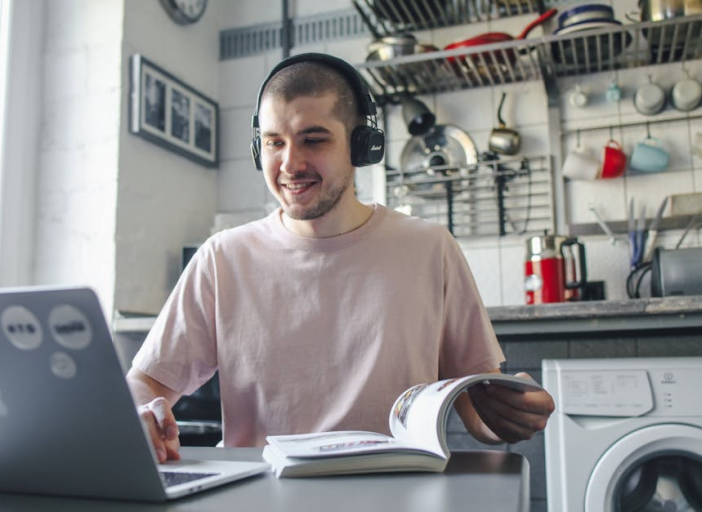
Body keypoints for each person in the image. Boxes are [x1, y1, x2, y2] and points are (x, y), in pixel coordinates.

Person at [126, 53, 555, 463]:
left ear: (361, 146)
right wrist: (141, 414)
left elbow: (476, 412)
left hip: (391, 492)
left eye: (313, 140)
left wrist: (512, 416)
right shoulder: (222, 258)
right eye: (274, 143)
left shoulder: (430, 248)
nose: (290, 164)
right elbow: (144, 384)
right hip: (260, 494)